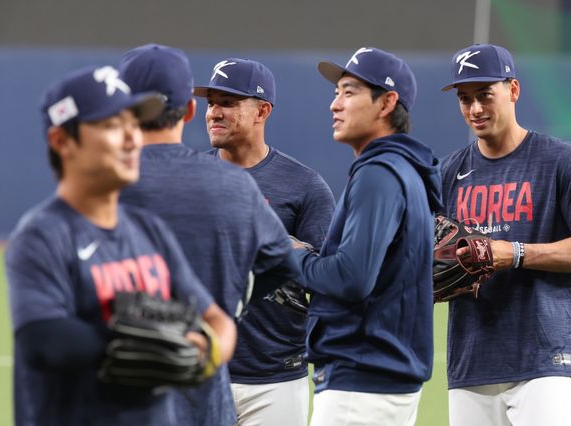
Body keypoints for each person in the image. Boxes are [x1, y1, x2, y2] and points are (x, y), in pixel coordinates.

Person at [4, 65, 237, 426]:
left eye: (134, 124)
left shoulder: (150, 230)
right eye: (112, 125)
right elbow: (42, 339)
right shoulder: (43, 236)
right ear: (62, 141)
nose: (132, 138)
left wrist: (204, 352)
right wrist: (131, 343)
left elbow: (218, 321)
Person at [117, 44, 300, 426]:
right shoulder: (234, 185)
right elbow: (284, 263)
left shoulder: (99, 187)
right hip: (205, 388)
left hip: (121, 396)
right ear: (188, 110)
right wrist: (228, 304)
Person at [439, 43, 571, 426]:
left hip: (545, 357)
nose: (475, 109)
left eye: (485, 94)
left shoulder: (561, 161)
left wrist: (515, 253)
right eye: (465, 98)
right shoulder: (448, 173)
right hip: (471, 361)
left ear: (513, 90)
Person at [293, 47, 442, 425]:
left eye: (349, 92)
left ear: (387, 103)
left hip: (361, 382)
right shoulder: (406, 170)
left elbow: (352, 278)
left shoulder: (379, 173)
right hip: (384, 376)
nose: (335, 104)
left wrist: (290, 256)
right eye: (336, 92)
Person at [193, 58, 335, 426]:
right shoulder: (190, 180)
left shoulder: (304, 186)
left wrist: (288, 257)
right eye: (211, 103)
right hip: (201, 371)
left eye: (228, 103)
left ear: (262, 111)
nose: (214, 112)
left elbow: (329, 279)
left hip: (276, 379)